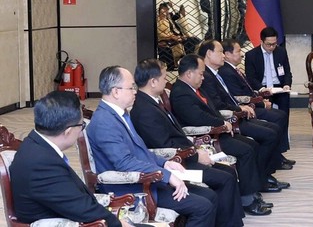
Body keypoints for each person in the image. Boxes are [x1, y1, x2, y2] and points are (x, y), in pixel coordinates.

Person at [130, 58, 271, 220]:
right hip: (177, 164)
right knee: (224, 177)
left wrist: (195, 148)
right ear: (153, 82)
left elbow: (175, 135)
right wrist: (196, 154)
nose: (166, 80)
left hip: (184, 155)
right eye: (163, 77)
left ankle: (231, 219)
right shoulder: (144, 110)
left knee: (227, 172)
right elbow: (163, 145)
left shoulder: (153, 102)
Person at [86, 66, 217, 227]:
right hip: (133, 188)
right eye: (131, 87)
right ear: (116, 92)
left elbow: (141, 151)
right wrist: (167, 176)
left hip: (149, 179)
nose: (135, 91)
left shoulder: (121, 114)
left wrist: (164, 163)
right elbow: (124, 163)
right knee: (202, 207)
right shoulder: (104, 122)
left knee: (209, 195)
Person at [9, 91, 133, 227]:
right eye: (81, 126)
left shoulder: (36, 145)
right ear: (68, 131)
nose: (81, 131)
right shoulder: (41, 164)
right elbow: (83, 209)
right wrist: (121, 224)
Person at [168, 54, 283, 195]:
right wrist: (222, 123)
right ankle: (248, 198)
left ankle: (255, 188)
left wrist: (224, 122)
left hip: (219, 131)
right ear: (189, 74)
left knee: (252, 145)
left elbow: (213, 109)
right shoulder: (180, 92)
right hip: (207, 135)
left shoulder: (195, 88)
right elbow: (198, 118)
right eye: (201, 74)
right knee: (245, 151)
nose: (203, 78)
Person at [196, 40, 290, 187]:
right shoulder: (206, 77)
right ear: (209, 53)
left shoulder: (215, 73)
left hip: (237, 113)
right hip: (231, 118)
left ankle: (265, 174)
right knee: (269, 134)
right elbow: (217, 104)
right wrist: (240, 109)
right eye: (220, 52)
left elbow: (229, 97)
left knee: (273, 129)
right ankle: (262, 178)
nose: (223, 56)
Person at [221, 38, 293, 160]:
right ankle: (274, 158)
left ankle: (277, 156)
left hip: (251, 104)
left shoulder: (233, 69)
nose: (242, 54)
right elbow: (239, 96)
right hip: (244, 110)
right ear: (227, 54)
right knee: (278, 117)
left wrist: (259, 98)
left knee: (281, 113)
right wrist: (261, 103)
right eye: (238, 51)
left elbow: (246, 91)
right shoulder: (226, 72)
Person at [244, 26, 293, 119]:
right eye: (268, 44)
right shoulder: (251, 55)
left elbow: (287, 72)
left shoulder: (281, 52)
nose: (271, 47)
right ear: (261, 41)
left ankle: (284, 132)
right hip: (262, 88)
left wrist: (287, 84)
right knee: (267, 113)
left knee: (284, 107)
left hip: (279, 88)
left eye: (274, 44)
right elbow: (251, 77)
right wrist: (261, 89)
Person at [156, 2, 199, 69]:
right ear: (160, 10)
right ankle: (186, 61)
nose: (166, 11)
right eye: (164, 9)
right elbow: (159, 33)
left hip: (175, 35)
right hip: (167, 38)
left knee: (193, 40)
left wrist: (173, 7)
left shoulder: (169, 17)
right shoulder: (158, 20)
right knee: (187, 42)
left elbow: (178, 15)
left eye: (167, 9)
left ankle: (189, 59)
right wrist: (172, 36)